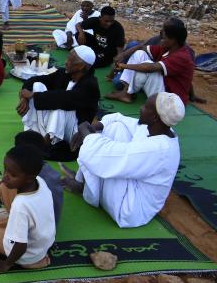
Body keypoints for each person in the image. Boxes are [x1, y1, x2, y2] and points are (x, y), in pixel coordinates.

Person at [62, 92, 185, 228]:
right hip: (132, 187)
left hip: (131, 208)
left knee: (100, 155)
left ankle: (85, 186)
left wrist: (85, 130)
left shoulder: (158, 149)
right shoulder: (157, 128)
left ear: (155, 117)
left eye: (146, 106)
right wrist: (96, 126)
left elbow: (102, 154)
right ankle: (83, 181)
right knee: (116, 128)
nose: (140, 107)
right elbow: (118, 119)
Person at [0, 145, 55, 271]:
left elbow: (21, 245)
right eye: (5, 170)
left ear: (29, 178)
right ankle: (16, 228)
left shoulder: (21, 204)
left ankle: (33, 262)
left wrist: (7, 264)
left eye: (12, 174)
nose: (5, 176)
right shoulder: (39, 181)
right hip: (42, 237)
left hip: (28, 253)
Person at [17, 46, 100, 161]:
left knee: (60, 106)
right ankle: (35, 133)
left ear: (81, 66)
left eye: (70, 60)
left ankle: (47, 142)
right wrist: (25, 98)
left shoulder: (90, 85)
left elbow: (65, 99)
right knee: (37, 86)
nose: (66, 62)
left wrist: (33, 96)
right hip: (57, 122)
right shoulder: (63, 74)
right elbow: (35, 80)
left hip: (75, 132)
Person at [105, 18, 194, 105]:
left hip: (172, 101)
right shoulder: (168, 48)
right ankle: (127, 92)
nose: (161, 40)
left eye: (164, 38)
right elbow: (141, 48)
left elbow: (149, 68)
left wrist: (123, 66)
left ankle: (128, 93)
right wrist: (123, 55)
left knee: (147, 67)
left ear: (173, 40)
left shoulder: (182, 56)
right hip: (164, 88)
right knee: (139, 54)